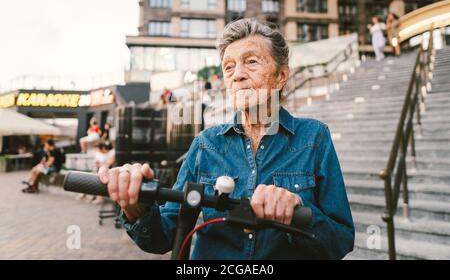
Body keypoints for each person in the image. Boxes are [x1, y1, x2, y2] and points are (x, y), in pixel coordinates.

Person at [98, 18, 354, 259]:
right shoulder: (205, 145)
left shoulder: (315, 137)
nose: (237, 74)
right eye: (228, 67)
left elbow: (341, 240)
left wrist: (298, 212)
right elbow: (164, 236)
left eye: (251, 61)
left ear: (281, 76)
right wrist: (135, 208)